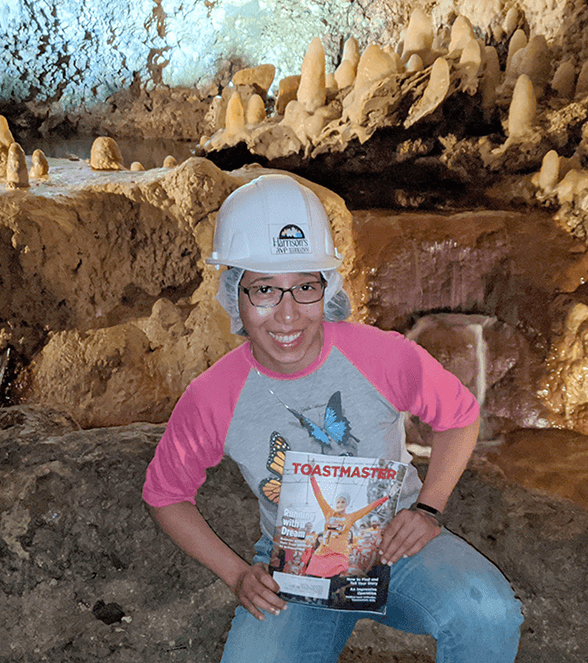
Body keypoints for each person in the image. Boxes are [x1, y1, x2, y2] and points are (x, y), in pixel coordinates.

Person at [143, 174, 523, 663]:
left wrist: (427, 509)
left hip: (394, 544)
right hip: (295, 565)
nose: (287, 316)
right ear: (234, 293)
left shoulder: (381, 355)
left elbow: (460, 416)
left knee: (489, 612)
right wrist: (237, 574)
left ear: (328, 288)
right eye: (264, 290)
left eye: (304, 287)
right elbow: (166, 495)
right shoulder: (213, 395)